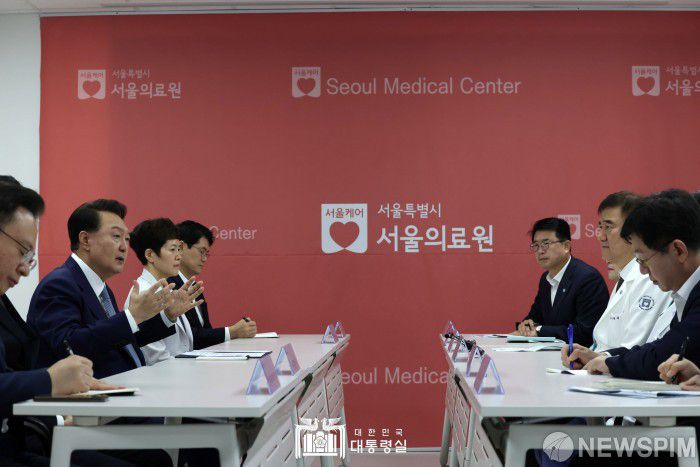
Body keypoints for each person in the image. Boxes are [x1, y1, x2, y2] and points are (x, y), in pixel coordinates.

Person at [0, 182, 136, 467]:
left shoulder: (102, 289)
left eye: (30, 258)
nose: (25, 269)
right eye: (23, 251)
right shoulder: (61, 283)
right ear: (85, 239)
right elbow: (70, 345)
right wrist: (52, 381)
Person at [581, 189, 700, 379]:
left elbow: (662, 356)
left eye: (643, 259)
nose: (643, 270)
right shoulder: (686, 292)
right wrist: (606, 358)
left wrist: (610, 362)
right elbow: (662, 346)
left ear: (678, 250)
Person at [562, 192, 673, 367]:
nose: (600, 236)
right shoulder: (625, 276)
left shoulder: (648, 278)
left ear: (634, 231)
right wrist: (591, 356)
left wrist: (599, 359)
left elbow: (636, 348)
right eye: (600, 227)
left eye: (608, 227)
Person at [516, 217, 608, 346]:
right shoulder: (545, 280)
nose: (540, 251)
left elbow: (585, 332)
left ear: (566, 246)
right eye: (536, 245)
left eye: (546, 244)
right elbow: (534, 317)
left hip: (580, 355)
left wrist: (539, 330)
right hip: (550, 353)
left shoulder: (587, 278)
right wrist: (526, 325)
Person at [125, 218, 203, 364]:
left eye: (179, 249)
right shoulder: (143, 294)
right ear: (150, 255)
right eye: (172, 249)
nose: (179, 256)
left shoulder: (167, 289)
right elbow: (156, 359)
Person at [169, 220, 256, 349]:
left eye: (207, 254)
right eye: (201, 251)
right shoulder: (169, 286)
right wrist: (232, 332)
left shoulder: (194, 286)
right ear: (181, 248)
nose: (204, 259)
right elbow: (188, 338)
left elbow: (206, 331)